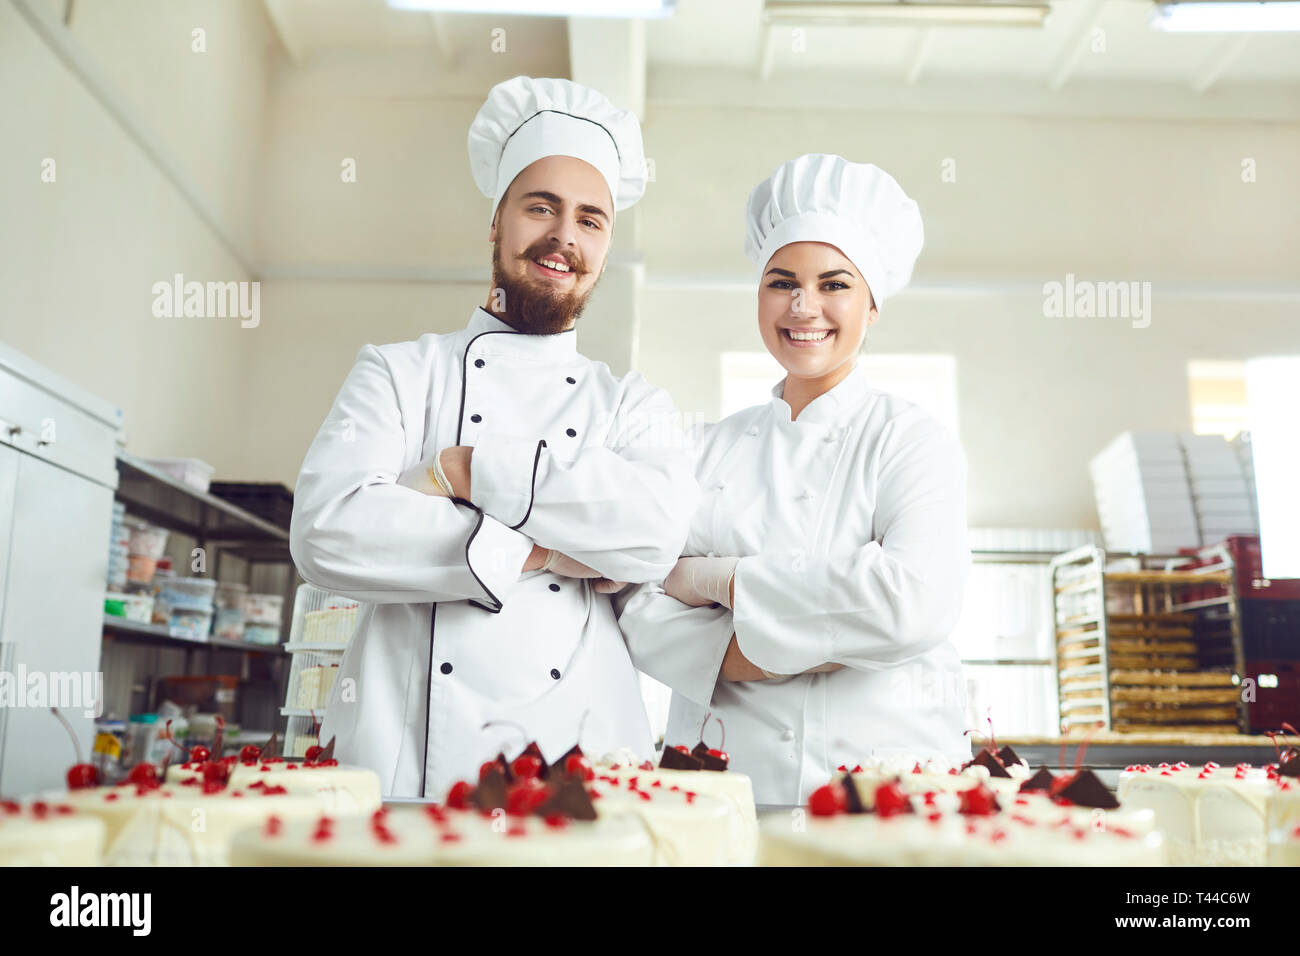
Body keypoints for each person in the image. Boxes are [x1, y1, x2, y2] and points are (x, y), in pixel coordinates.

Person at [291, 76, 698, 800]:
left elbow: (653, 537)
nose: (564, 238)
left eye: (590, 220)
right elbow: (327, 532)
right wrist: (545, 550)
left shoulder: (630, 404)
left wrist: (463, 469)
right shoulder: (398, 372)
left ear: (605, 246)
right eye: (540, 207)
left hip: (578, 760)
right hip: (403, 763)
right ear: (496, 221)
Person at [617, 153, 971, 806]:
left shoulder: (910, 440)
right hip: (726, 791)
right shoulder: (701, 449)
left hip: (890, 790)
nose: (804, 306)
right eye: (782, 281)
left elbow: (913, 604)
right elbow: (635, 608)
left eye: (835, 283)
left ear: (872, 305)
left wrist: (713, 581)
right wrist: (813, 636)